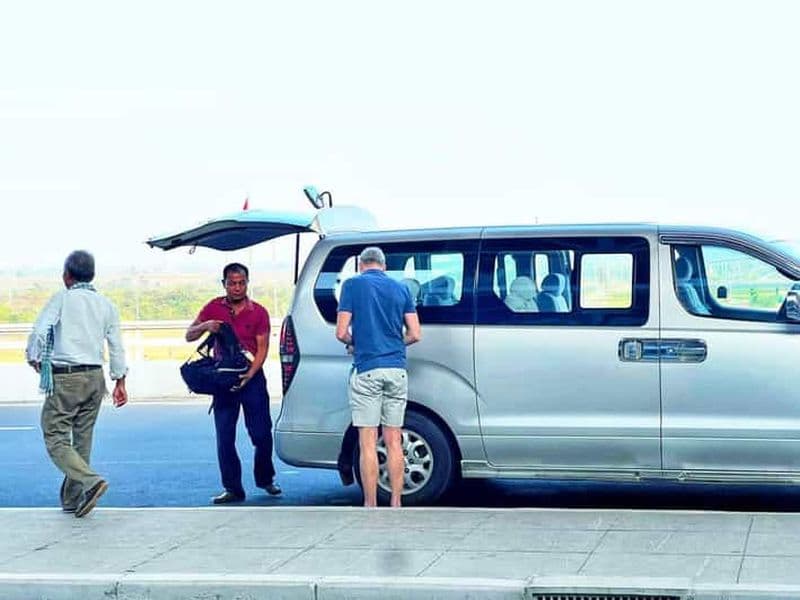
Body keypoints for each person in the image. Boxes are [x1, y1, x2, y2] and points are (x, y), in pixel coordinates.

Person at [25, 250, 128, 518]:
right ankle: (72, 499)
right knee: (82, 439)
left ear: (66, 276)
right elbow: (116, 346)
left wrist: (34, 358)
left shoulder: (62, 299)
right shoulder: (106, 304)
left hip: (66, 376)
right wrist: (120, 381)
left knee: (55, 436)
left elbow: (39, 331)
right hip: (95, 377)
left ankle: (90, 482)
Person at [186, 262, 281, 504]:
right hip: (224, 379)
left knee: (261, 434)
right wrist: (206, 326)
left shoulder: (258, 312)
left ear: (247, 283)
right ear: (224, 284)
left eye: (241, 283)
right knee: (225, 437)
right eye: (232, 283)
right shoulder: (213, 307)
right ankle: (232, 488)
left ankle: (265, 478)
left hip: (252, 378)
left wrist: (250, 375)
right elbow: (189, 334)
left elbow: (263, 349)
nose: (237, 287)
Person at [335, 247, 421, 507]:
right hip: (396, 369)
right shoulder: (401, 289)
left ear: (362, 265)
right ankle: (396, 502)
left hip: (367, 369)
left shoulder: (352, 286)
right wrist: (394, 345)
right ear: (383, 266)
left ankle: (370, 503)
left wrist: (356, 343)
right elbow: (415, 333)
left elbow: (341, 332)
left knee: (368, 441)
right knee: (395, 440)